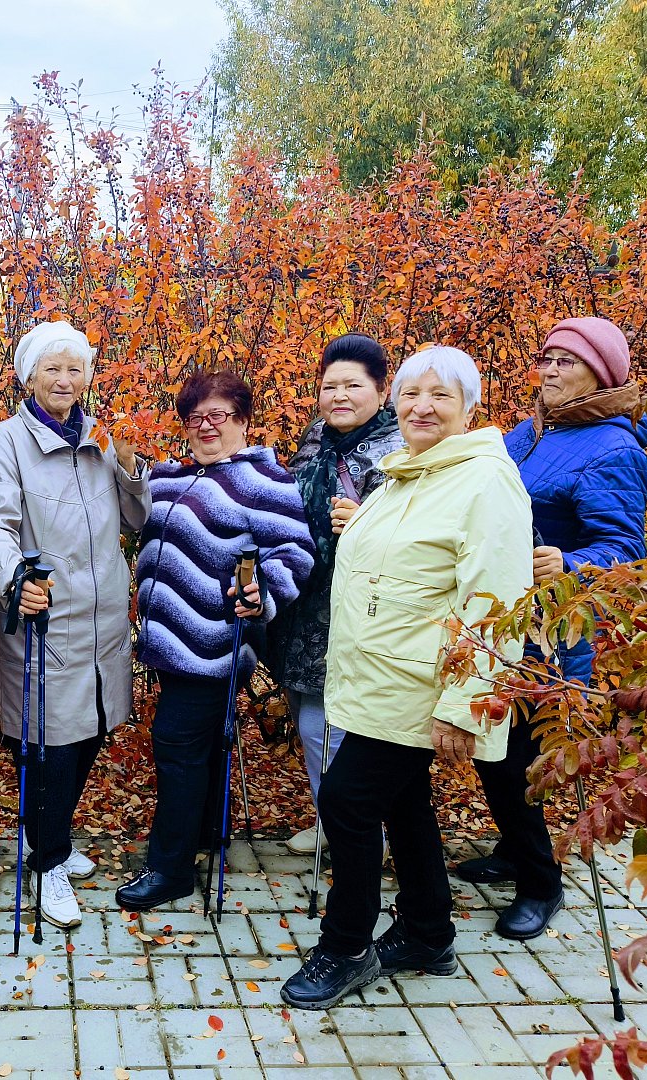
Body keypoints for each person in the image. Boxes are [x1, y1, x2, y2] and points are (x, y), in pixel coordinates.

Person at [281, 346, 533, 1010]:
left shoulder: (484, 482)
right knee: (402, 802)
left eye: (440, 395)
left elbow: (496, 602)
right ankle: (426, 932)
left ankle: (345, 946)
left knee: (347, 801)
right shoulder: (410, 473)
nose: (421, 407)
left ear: (470, 405)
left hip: (421, 687)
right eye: (411, 394)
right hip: (379, 678)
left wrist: (467, 703)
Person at [454, 317, 647, 939]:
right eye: (547, 357)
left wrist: (568, 562)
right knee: (498, 748)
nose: (551, 369)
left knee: (513, 756)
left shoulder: (614, 449)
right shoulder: (533, 431)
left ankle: (542, 884)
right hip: (504, 618)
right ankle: (514, 851)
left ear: (602, 373)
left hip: (552, 631)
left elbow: (626, 551)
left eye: (568, 360)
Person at [0, 321, 150, 928]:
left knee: (93, 730)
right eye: (52, 368)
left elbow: (135, 519)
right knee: (49, 747)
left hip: (103, 619)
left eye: (75, 369)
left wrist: (132, 469)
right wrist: (15, 576)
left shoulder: (101, 438)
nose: (65, 380)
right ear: (29, 377)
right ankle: (48, 864)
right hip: (45, 614)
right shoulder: (6, 443)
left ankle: (50, 840)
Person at [115, 369, 315, 912]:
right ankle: (203, 836)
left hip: (214, 646)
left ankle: (170, 869)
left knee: (176, 747)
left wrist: (262, 592)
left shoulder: (264, 480)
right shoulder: (170, 477)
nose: (206, 426)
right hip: (168, 645)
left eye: (218, 415)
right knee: (196, 749)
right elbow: (129, 505)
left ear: (243, 420)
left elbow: (295, 552)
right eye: (195, 417)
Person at [267, 334, 404, 856]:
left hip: (362, 614)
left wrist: (367, 523)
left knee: (332, 728)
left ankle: (360, 832)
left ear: (382, 390)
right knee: (310, 719)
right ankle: (333, 822)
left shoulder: (400, 452)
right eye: (330, 386)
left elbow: (421, 537)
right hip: (305, 611)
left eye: (353, 385)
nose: (339, 396)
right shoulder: (315, 439)